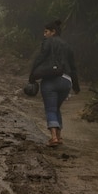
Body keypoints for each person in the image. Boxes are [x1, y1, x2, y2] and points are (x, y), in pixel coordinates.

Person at [28, 19, 80, 147]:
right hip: (66, 82)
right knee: (56, 108)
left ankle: (54, 138)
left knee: (50, 109)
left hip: (51, 80)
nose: (44, 34)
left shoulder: (48, 42)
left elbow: (41, 57)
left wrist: (32, 75)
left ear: (53, 32)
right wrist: (76, 85)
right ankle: (60, 136)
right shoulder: (68, 46)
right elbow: (73, 67)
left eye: (46, 32)